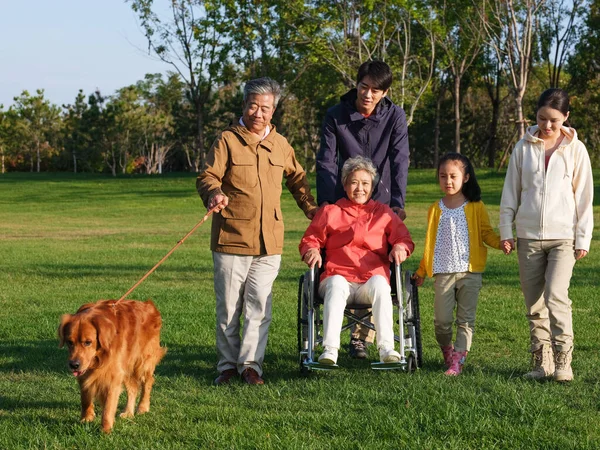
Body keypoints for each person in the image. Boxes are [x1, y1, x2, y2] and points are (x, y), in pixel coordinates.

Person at [196, 77, 318, 386]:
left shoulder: (280, 143)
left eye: (265, 108)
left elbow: (297, 179)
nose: (258, 113)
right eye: (253, 105)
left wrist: (312, 210)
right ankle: (226, 366)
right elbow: (208, 175)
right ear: (243, 105)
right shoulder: (227, 140)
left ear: (273, 110)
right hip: (231, 238)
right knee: (229, 308)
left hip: (270, 241)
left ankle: (250, 366)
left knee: (258, 306)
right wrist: (214, 193)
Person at [316, 60, 410, 359]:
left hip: (380, 196)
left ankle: (361, 338)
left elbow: (400, 159)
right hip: (343, 190)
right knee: (344, 256)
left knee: (373, 258)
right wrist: (327, 203)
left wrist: (398, 203)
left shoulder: (394, 116)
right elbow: (327, 161)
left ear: (385, 92)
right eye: (364, 87)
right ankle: (336, 338)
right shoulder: (336, 115)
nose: (368, 95)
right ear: (356, 84)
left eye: (376, 90)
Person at [499, 88, 594, 382]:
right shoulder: (522, 148)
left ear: (566, 117)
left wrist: (583, 238)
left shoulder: (576, 149)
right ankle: (543, 362)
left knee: (555, 294)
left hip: (563, 237)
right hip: (528, 237)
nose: (547, 126)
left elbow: (584, 197)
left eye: (554, 120)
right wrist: (506, 231)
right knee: (534, 303)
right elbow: (510, 193)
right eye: (542, 118)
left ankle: (564, 359)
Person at [299, 156, 415, 366]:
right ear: (344, 185)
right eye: (354, 182)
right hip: (337, 276)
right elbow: (310, 239)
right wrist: (312, 250)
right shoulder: (330, 212)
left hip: (370, 279)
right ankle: (330, 350)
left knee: (381, 284)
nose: (359, 188)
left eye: (365, 183)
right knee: (336, 284)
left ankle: (387, 348)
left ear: (372, 187)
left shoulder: (384, 213)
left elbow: (403, 238)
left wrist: (400, 247)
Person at [414, 153, 504, 376]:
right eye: (443, 176)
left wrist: (502, 243)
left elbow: (486, 233)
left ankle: (458, 360)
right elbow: (429, 243)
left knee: (465, 320)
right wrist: (421, 271)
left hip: (469, 272)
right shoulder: (435, 208)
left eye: (453, 176)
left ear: (465, 177)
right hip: (443, 272)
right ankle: (448, 350)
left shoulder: (475, 205)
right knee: (441, 322)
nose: (448, 181)